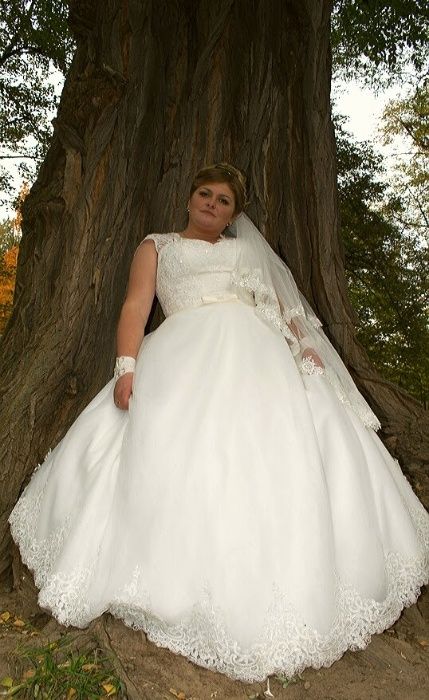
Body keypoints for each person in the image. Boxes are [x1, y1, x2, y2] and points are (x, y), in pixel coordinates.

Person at [9, 163, 429, 684]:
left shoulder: (246, 251)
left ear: (233, 214)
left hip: (257, 354)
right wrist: (127, 366)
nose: (212, 204)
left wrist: (304, 344)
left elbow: (283, 305)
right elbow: (136, 306)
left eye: (224, 200)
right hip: (183, 351)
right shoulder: (157, 246)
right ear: (189, 199)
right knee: (175, 453)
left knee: (274, 450)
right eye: (205, 194)